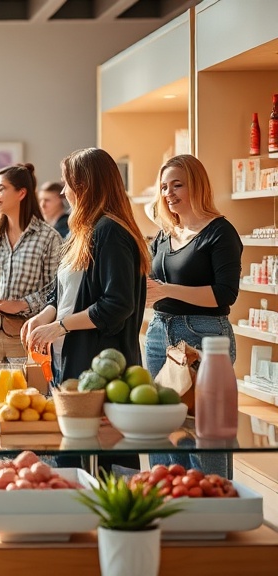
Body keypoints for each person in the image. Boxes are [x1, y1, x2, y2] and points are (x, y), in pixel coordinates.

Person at [145, 154, 242, 477]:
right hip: (159, 334)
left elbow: (224, 294)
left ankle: (212, 499)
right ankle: (167, 495)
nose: (169, 193)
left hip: (204, 335)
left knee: (206, 430)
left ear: (196, 186)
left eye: (177, 185)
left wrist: (167, 290)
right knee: (162, 426)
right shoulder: (164, 234)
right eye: (164, 187)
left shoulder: (220, 232)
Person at [21, 148, 149, 385]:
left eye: (66, 184)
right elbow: (65, 291)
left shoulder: (110, 232)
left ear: (83, 186)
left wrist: (59, 327)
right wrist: (45, 315)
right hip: (69, 360)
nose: (63, 192)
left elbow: (117, 304)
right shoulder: (84, 231)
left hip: (99, 367)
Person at [0, 163, 62, 382]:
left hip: (26, 334)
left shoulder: (48, 238)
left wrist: (22, 304)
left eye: (1, 189)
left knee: (26, 401)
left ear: (21, 193)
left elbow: (56, 289)